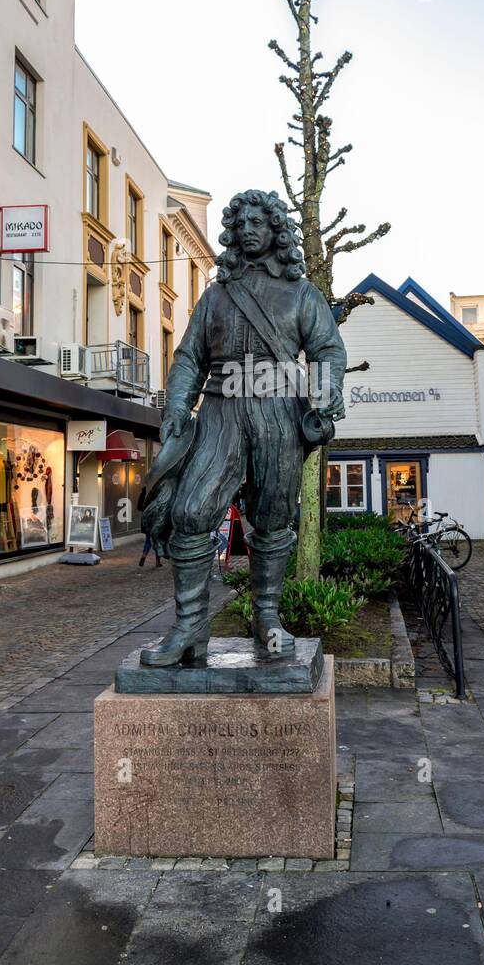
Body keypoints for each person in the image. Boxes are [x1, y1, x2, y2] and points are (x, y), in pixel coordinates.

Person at [139, 189, 346, 667]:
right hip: (220, 413)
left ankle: (267, 617)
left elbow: (328, 352)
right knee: (191, 511)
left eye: (260, 222)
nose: (250, 229)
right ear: (233, 233)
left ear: (276, 231)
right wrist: (176, 410)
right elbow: (189, 357)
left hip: (278, 414)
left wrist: (326, 389)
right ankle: (190, 625)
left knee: (274, 516)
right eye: (242, 223)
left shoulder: (301, 295)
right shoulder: (215, 297)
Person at [135, 485, 163, 567]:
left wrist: (145, 509)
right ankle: (158, 561)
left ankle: (144, 555)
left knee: (148, 539)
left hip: (146, 519)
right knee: (157, 540)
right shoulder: (156, 492)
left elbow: (138, 507)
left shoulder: (143, 492)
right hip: (155, 519)